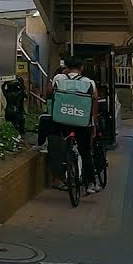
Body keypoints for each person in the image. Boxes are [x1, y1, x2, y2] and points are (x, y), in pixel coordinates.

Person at [39, 56, 100, 194]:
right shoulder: (89, 82)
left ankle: (58, 178)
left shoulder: (59, 79)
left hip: (61, 122)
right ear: (81, 68)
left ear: (65, 67)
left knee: (56, 147)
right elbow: (95, 101)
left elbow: (48, 94)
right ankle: (90, 183)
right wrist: (94, 123)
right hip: (82, 123)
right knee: (85, 152)